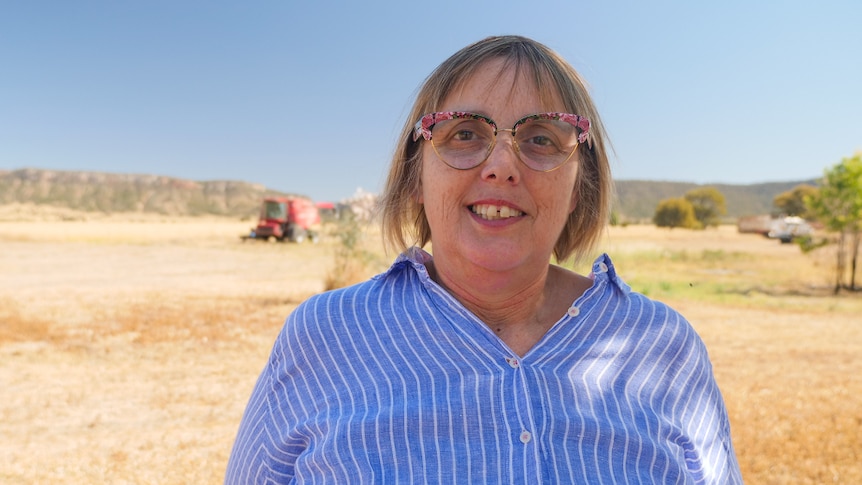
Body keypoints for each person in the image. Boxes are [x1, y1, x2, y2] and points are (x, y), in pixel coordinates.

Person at [225, 35, 742, 484]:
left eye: (541, 138)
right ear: (415, 178)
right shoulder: (325, 338)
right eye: (464, 133)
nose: (501, 167)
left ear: (580, 185)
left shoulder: (665, 348)